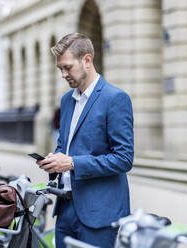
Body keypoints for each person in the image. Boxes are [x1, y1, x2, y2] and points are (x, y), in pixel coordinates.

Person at [36, 32, 134, 248]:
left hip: (99, 214)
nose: (63, 74)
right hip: (65, 209)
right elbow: (65, 147)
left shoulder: (115, 99)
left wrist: (72, 163)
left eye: (67, 67)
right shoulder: (67, 101)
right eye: (60, 68)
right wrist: (54, 161)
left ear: (87, 60)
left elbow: (124, 159)